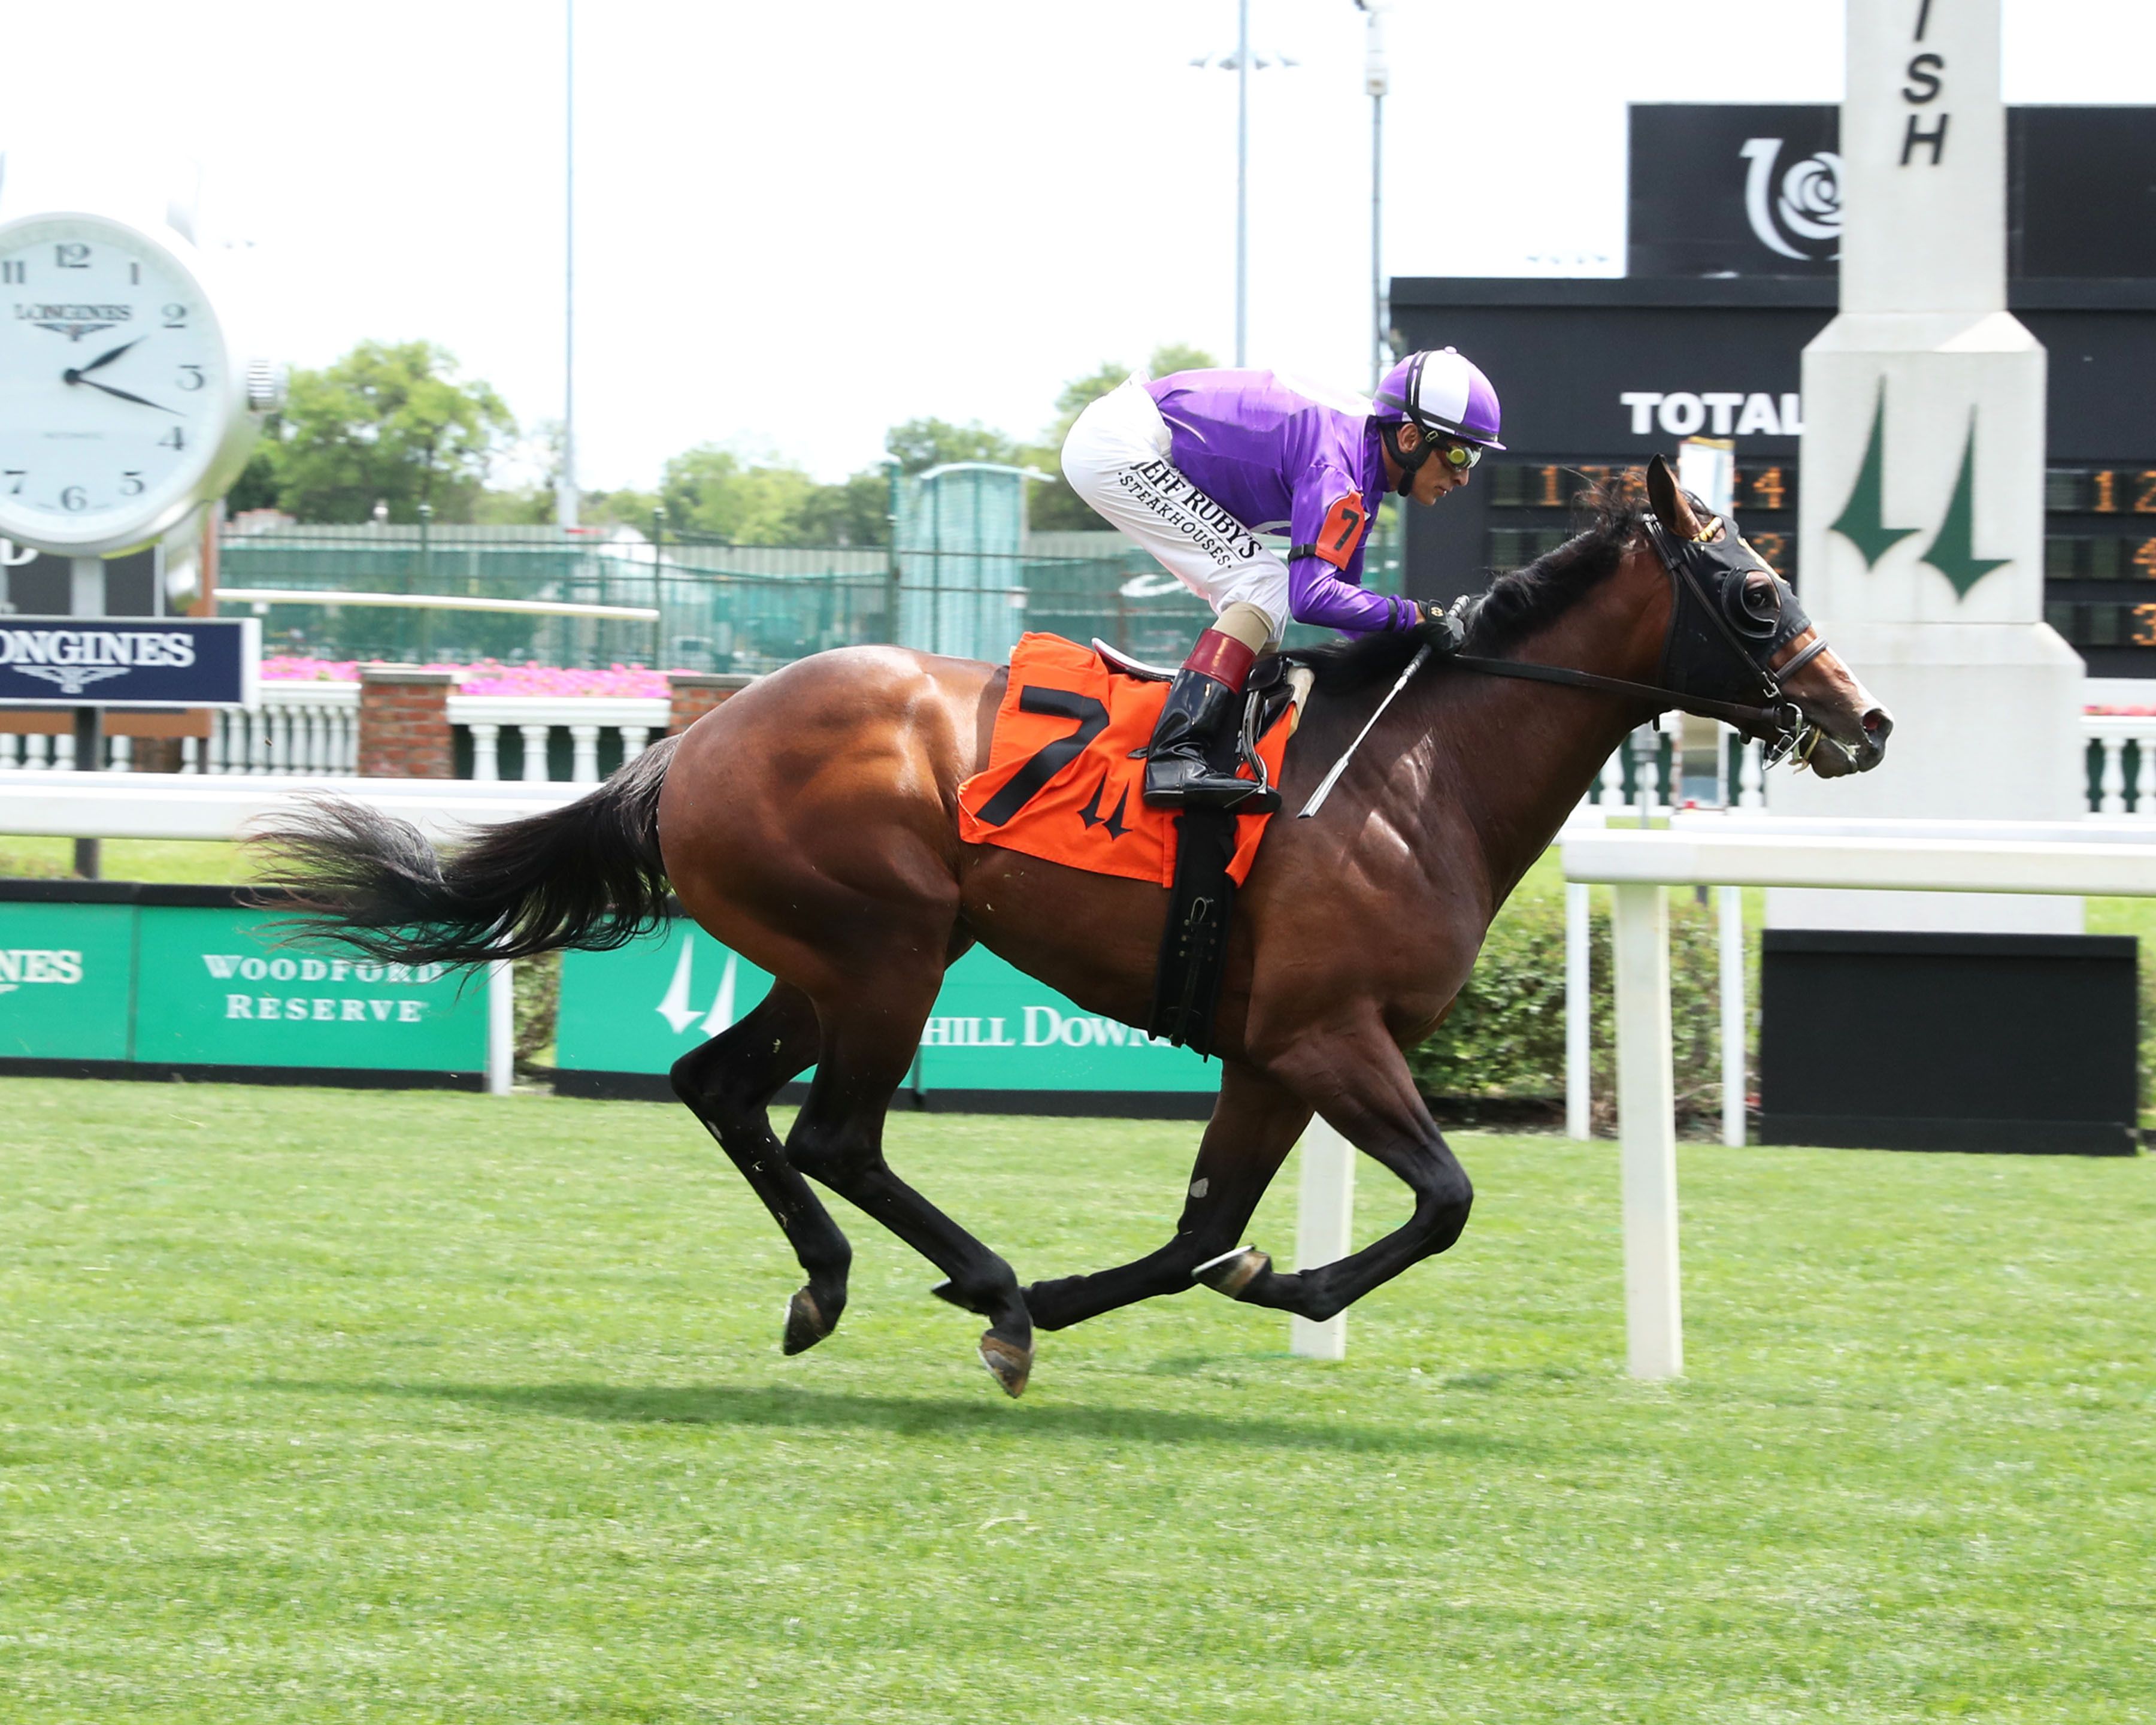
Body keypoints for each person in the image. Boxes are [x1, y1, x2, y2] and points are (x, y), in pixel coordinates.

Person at [1059, 347, 1503, 809]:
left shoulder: (1362, 471)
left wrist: (1411, 641)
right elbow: (1310, 598)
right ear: (1411, 437)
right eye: (1459, 453)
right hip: (1120, 445)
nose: (1464, 476)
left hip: (1128, 437)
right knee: (1264, 584)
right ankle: (1175, 756)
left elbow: (1343, 605)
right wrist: (1411, 616)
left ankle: (1220, 748)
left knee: (1262, 588)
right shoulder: (1336, 469)